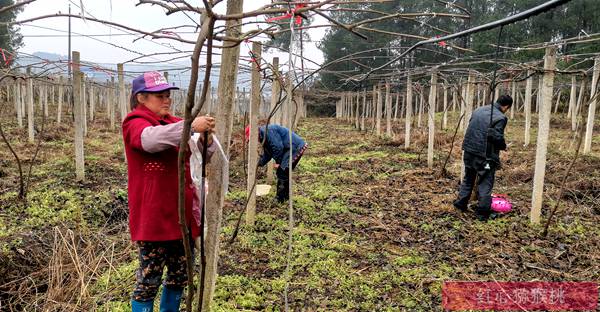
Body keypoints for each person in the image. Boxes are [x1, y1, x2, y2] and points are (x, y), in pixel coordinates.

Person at [122, 71, 216, 312]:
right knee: (148, 280)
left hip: (180, 218)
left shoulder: (172, 122)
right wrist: (190, 126)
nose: (166, 100)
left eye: (167, 95)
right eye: (159, 96)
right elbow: (150, 140)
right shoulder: (134, 123)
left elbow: (202, 156)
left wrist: (205, 140)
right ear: (141, 98)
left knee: (179, 276)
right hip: (153, 220)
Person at [453, 95, 512, 221]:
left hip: (468, 151)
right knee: (485, 182)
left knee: (468, 178)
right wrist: (503, 146)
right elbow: (496, 137)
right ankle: (482, 213)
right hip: (485, 157)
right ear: (506, 106)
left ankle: (460, 204)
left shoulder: (478, 110)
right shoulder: (501, 118)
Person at [245, 124, 307, 203]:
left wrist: (279, 162)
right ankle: (285, 198)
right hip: (289, 148)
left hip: (294, 147)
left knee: (282, 171)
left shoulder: (268, 131)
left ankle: (280, 199)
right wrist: (258, 164)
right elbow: (268, 153)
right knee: (284, 172)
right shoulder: (262, 137)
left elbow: (278, 147)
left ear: (255, 133)